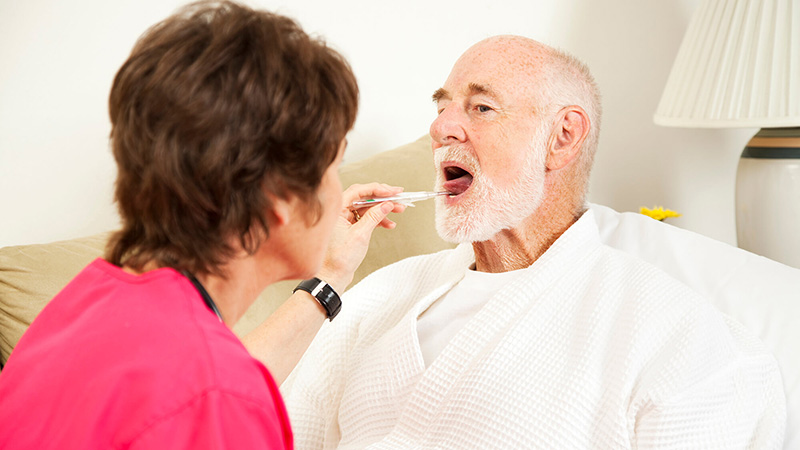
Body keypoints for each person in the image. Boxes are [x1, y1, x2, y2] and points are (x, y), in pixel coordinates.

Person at [268, 36, 787, 448]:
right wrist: (330, 273)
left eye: (482, 108)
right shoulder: (374, 298)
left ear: (562, 137)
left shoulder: (678, 339)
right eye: (444, 107)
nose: (441, 126)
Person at [0, 1, 405, 448]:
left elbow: (194, 390)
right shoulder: (219, 400)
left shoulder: (85, 302)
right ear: (279, 199)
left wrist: (331, 274)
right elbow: (210, 398)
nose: (336, 189)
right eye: (335, 165)